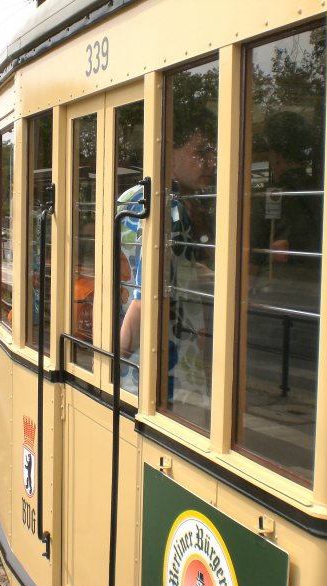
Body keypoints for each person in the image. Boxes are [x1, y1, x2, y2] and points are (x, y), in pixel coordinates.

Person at [118, 130, 217, 399]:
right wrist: (116, 364)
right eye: (201, 152)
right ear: (170, 154)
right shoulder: (168, 207)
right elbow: (144, 295)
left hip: (139, 352)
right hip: (161, 353)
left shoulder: (133, 196)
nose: (212, 162)